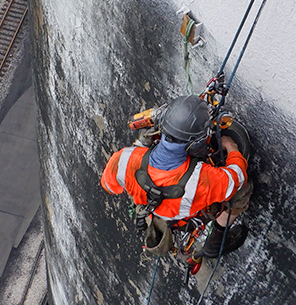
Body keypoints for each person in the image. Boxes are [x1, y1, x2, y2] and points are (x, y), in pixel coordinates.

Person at [101, 95, 251, 258]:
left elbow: (109, 186)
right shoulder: (200, 179)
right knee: (242, 191)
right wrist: (231, 147)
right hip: (184, 219)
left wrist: (140, 147)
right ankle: (216, 240)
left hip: (153, 210)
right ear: (194, 142)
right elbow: (237, 177)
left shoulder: (123, 159)